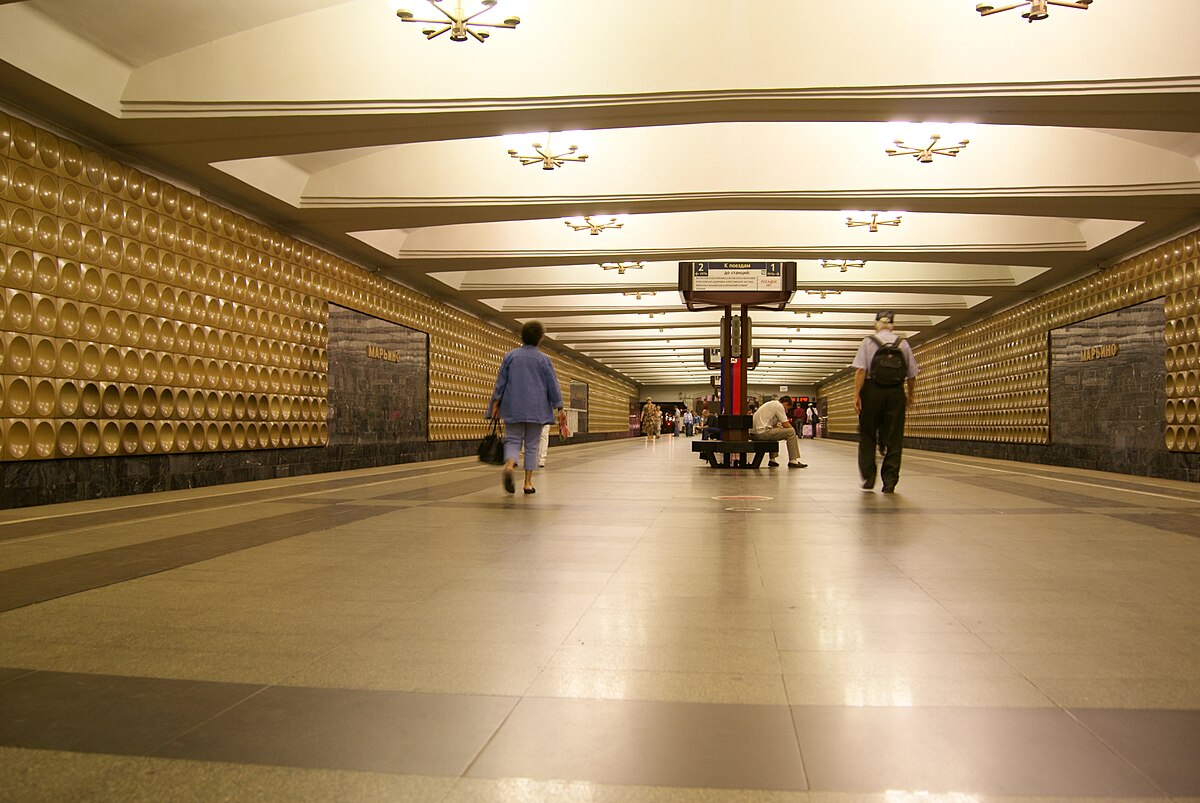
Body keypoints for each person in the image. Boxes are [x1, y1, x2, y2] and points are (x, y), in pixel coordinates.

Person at [488, 321, 563, 495]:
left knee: (513, 440)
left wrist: (496, 403)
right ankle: (528, 483)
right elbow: (553, 384)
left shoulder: (511, 356)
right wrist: (559, 406)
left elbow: (501, 383)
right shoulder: (544, 359)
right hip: (537, 409)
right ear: (539, 339)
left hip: (513, 406)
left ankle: (509, 466)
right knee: (531, 445)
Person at [852, 310, 919, 493]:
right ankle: (889, 481)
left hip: (872, 391)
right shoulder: (902, 343)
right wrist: (910, 394)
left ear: (876, 325)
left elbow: (860, 371)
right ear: (892, 325)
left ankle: (868, 476)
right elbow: (912, 374)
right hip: (895, 393)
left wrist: (856, 395)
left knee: (867, 435)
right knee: (894, 438)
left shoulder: (868, 342)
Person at [749, 396, 806, 469]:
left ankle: (772, 460)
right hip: (762, 433)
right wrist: (793, 431)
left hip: (754, 434)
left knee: (774, 431)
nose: (786, 410)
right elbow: (786, 424)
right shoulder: (778, 405)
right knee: (791, 432)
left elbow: (773, 425)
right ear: (785, 403)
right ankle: (793, 460)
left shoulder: (770, 404)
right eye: (786, 408)